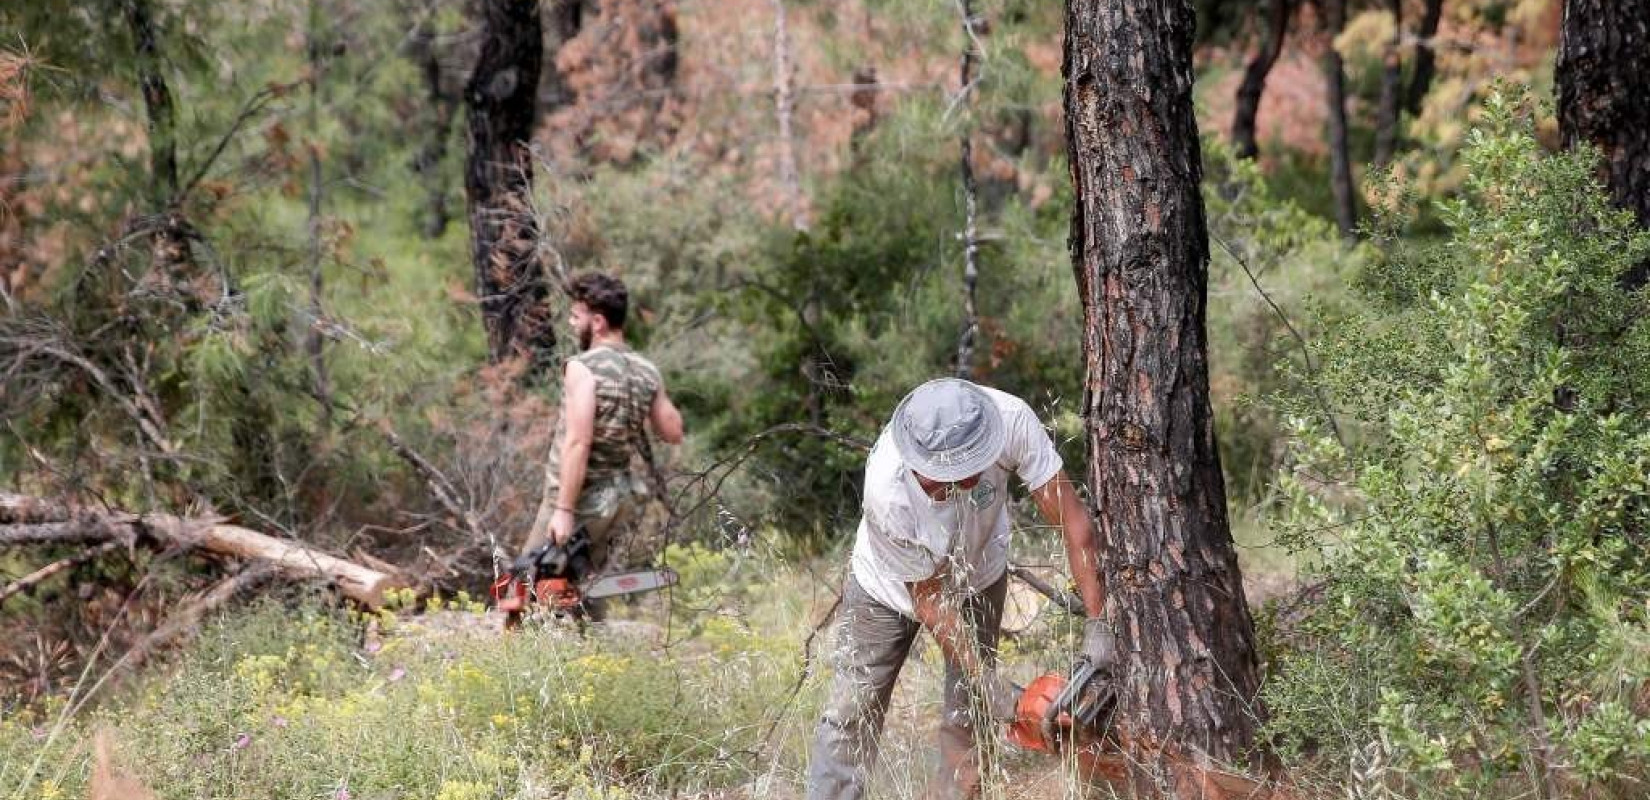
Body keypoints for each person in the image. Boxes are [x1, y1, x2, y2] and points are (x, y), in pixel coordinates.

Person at [807, 378, 1115, 800]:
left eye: (970, 467)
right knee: (851, 712)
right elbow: (929, 598)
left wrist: (1099, 626)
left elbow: (1074, 526)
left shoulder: (1011, 421)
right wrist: (992, 686)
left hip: (978, 576)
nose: (959, 481)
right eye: (944, 476)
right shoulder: (887, 487)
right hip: (886, 590)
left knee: (967, 715)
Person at [520, 272, 684, 587]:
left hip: (578, 499)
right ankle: (587, 631)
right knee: (583, 590)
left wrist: (564, 510)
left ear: (597, 323)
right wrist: (650, 387)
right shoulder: (647, 370)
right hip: (618, 500)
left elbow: (579, 442)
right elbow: (673, 432)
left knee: (526, 587)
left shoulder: (583, 368)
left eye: (575, 316)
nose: (570, 323)